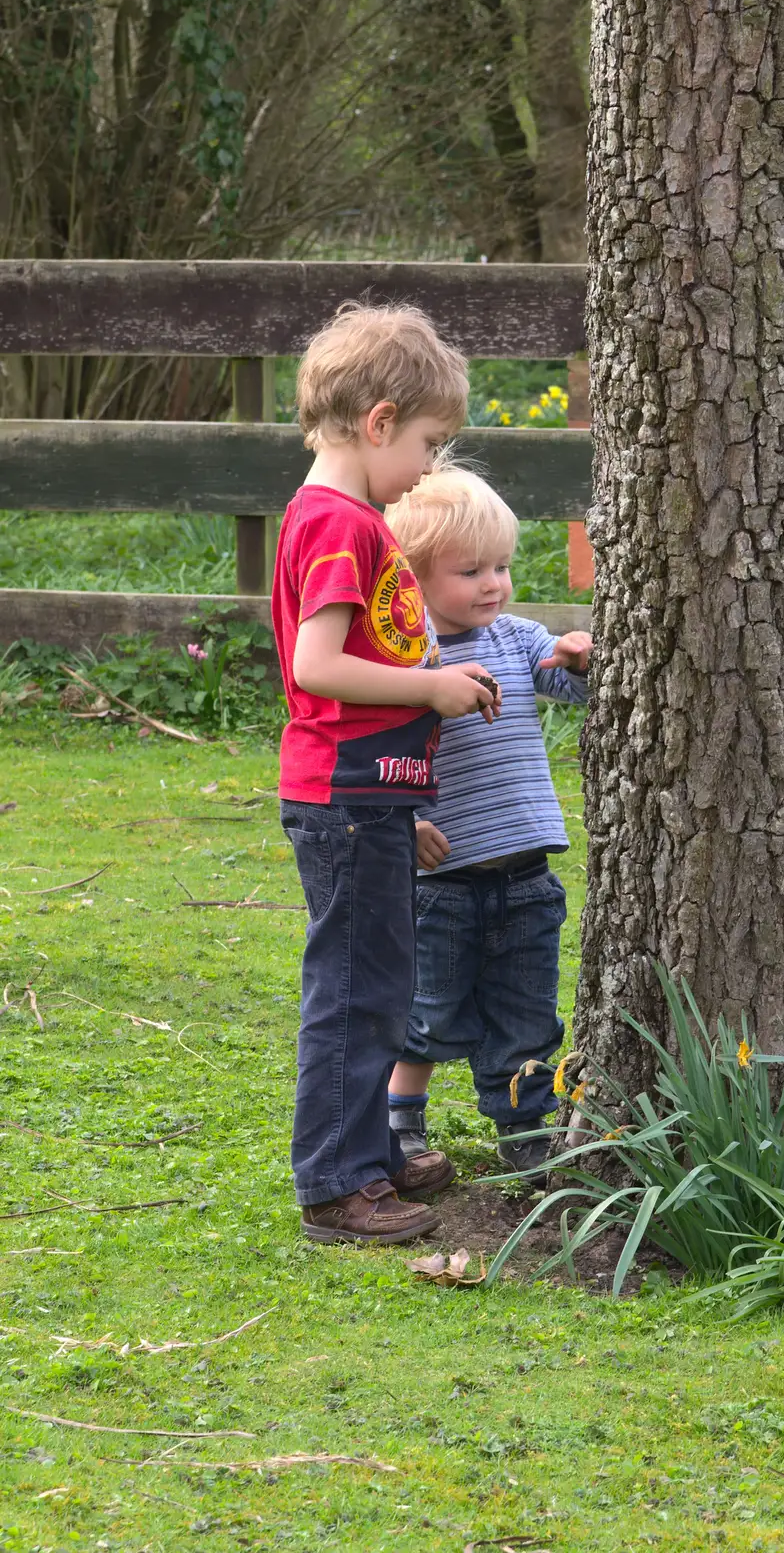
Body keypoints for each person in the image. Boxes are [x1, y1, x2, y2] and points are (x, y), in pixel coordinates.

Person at [272, 303, 503, 1246]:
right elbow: (316, 669)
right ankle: (335, 1183)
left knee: (381, 980)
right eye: (427, 442)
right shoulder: (343, 526)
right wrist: (432, 685)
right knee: (357, 990)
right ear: (376, 422)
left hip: (373, 792)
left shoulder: (345, 518)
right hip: (345, 790)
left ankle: (368, 1150)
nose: (429, 466)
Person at [384, 465, 591, 1181]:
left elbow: (561, 679)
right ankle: (401, 1118)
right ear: (410, 578)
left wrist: (575, 658)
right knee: (430, 1009)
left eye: (501, 565)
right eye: (469, 570)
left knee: (526, 1011)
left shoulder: (513, 636)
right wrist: (405, 823)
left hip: (526, 872)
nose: (492, 583)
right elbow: (383, 750)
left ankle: (522, 1129)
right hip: (443, 877)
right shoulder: (405, 662)